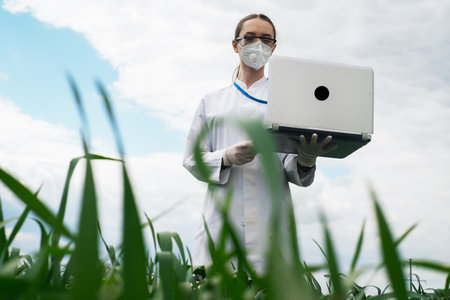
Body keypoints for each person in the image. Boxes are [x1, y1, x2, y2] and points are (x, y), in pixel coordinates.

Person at [183, 13, 336, 272]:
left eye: (266, 40)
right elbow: (191, 159)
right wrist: (226, 157)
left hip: (270, 221)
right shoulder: (212, 102)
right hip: (222, 220)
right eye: (250, 37)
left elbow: (291, 163)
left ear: (274, 48)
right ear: (235, 44)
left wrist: (306, 160)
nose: (258, 45)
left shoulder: (288, 101)